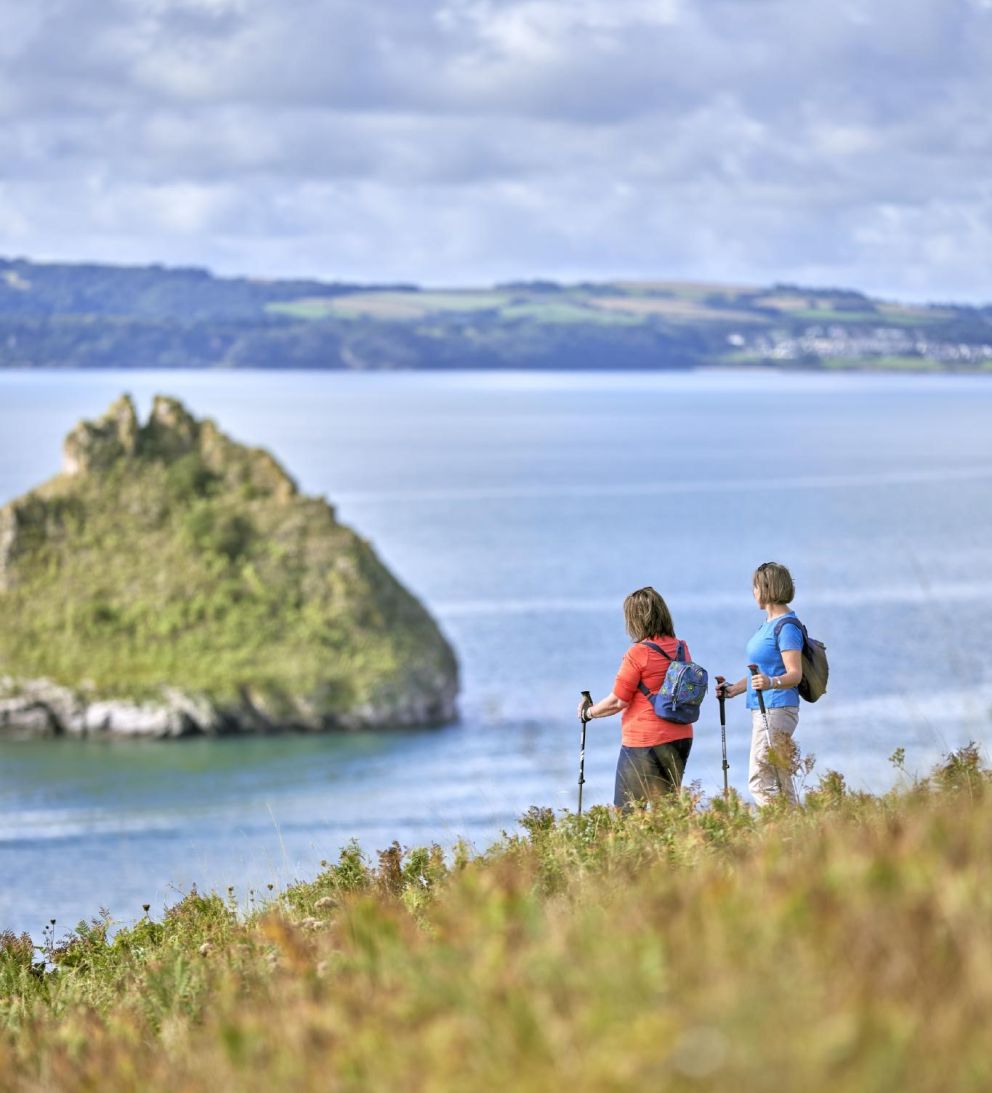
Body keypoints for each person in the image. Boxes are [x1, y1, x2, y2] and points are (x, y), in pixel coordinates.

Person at [577, 586, 693, 808]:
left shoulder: (638, 653)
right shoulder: (681, 648)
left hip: (645, 742)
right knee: (668, 813)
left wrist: (588, 713)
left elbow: (617, 701)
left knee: (628, 813)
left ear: (636, 619)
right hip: (681, 737)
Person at [718, 562, 804, 806]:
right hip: (766, 706)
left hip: (776, 709)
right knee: (779, 776)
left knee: (759, 780)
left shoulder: (786, 627)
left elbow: (794, 674)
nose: (753, 592)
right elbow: (762, 672)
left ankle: (778, 832)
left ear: (767, 588)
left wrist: (770, 682)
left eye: (755, 587)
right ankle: (796, 833)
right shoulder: (768, 624)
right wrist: (734, 689)